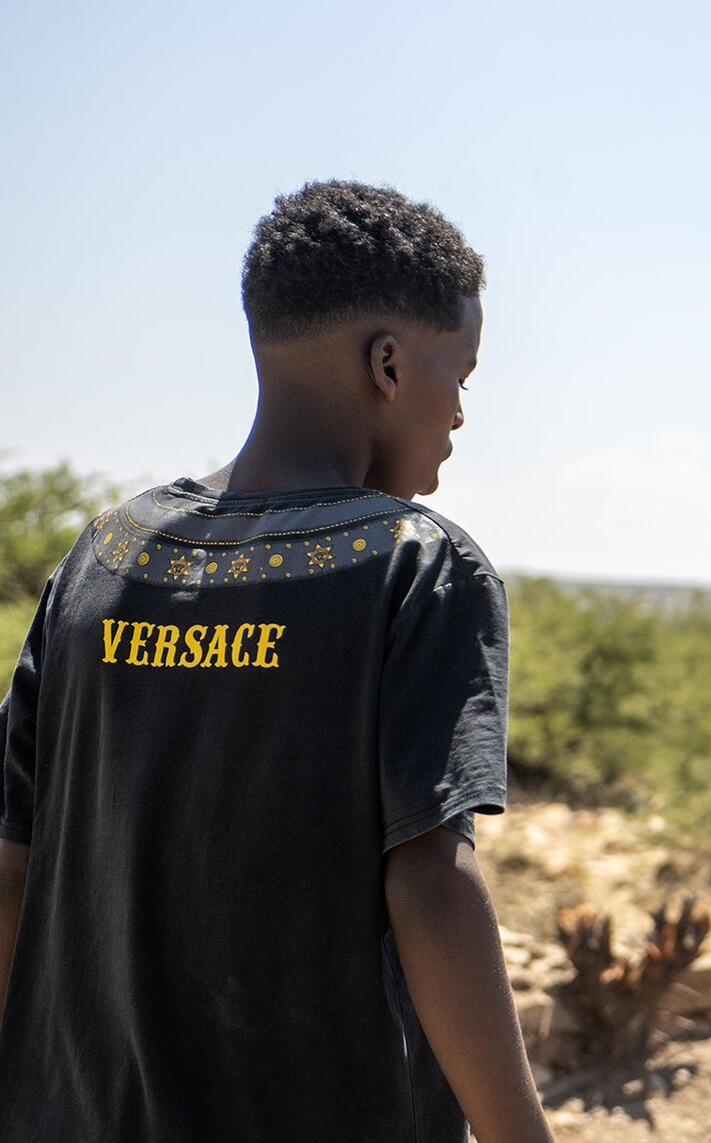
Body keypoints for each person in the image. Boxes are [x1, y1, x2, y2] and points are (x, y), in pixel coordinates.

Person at [0, 181, 552, 1143]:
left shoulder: (105, 555)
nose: (461, 411)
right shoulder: (417, 566)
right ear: (388, 363)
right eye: (461, 372)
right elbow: (429, 881)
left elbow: (11, 863)